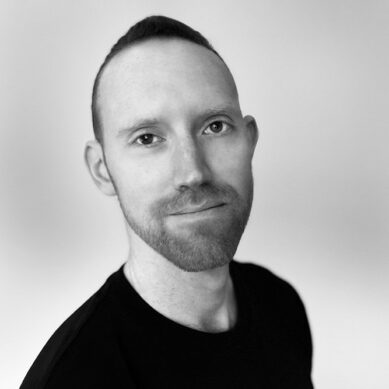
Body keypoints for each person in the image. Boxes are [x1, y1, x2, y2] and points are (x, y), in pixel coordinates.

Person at [21, 15, 313, 388]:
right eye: (147, 138)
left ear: (249, 140)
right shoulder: (73, 377)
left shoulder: (280, 305)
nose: (193, 172)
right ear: (102, 170)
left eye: (215, 126)